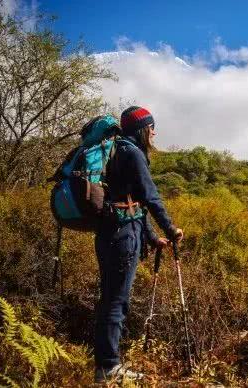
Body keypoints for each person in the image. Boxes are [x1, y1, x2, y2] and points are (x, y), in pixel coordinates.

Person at [94, 106, 183, 383]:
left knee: (109, 298)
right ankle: (108, 367)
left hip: (109, 232)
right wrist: (171, 227)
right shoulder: (133, 153)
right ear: (143, 130)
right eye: (151, 127)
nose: (155, 132)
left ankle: (104, 362)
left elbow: (132, 203)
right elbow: (151, 197)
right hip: (123, 237)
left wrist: (153, 237)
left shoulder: (117, 151)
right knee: (116, 302)